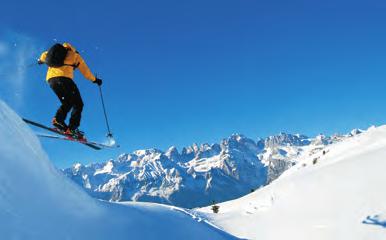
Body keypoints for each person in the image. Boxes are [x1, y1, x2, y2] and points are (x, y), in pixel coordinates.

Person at [38, 42, 102, 140]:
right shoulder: (75, 55)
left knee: (67, 102)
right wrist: (95, 80)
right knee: (78, 104)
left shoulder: (51, 53)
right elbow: (86, 71)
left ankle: (58, 120)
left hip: (51, 81)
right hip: (64, 80)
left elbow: (43, 56)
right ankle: (72, 129)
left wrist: (40, 61)